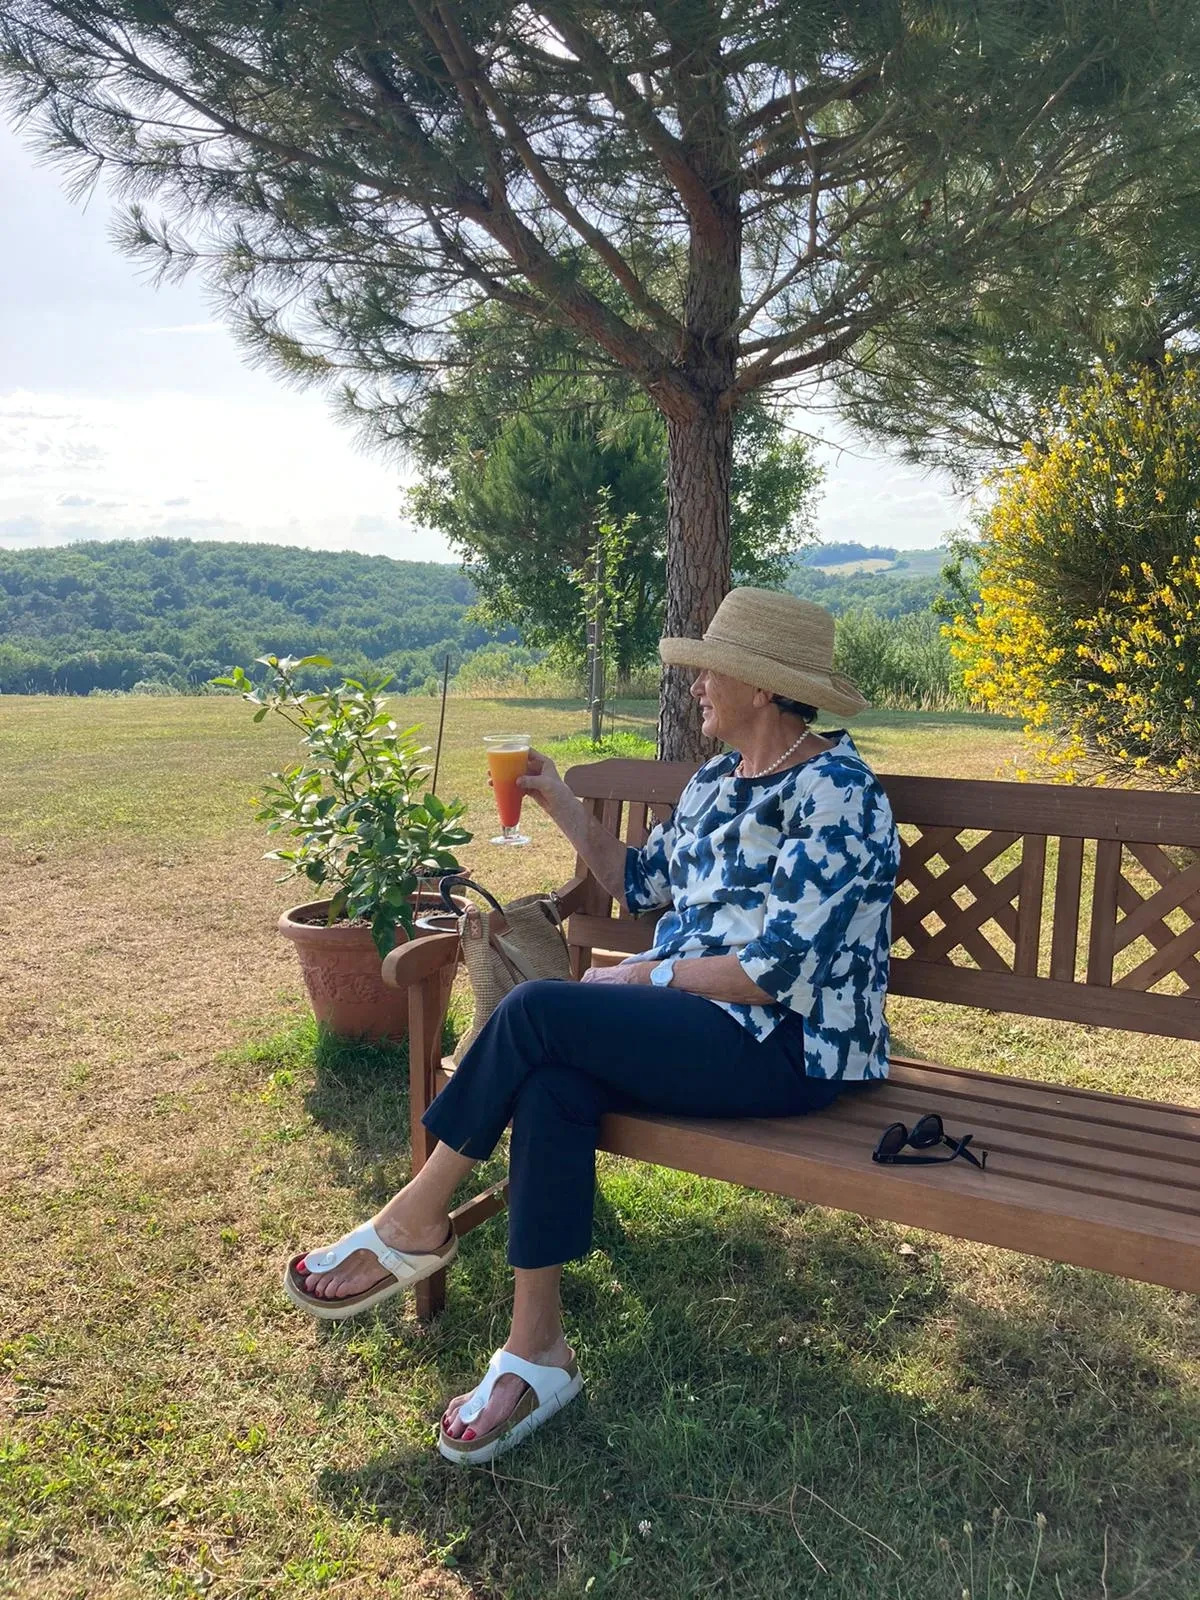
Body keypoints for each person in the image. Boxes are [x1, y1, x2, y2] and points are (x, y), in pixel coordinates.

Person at [283, 588, 900, 1466]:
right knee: (552, 1077)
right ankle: (537, 1349)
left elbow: (780, 974)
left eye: (708, 675)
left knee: (538, 1011)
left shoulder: (839, 795)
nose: (695, 691)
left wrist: (647, 974)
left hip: (788, 1045)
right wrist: (555, 798)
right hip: (694, 1020)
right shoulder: (720, 781)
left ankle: (417, 1220)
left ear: (763, 688)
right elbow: (634, 881)